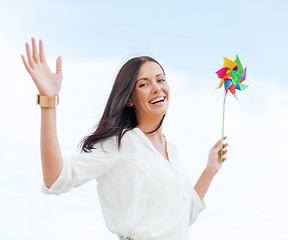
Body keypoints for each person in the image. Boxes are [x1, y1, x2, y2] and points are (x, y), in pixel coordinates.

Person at [21, 38, 228, 240]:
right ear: (129, 98)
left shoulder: (170, 149)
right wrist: (49, 102)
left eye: (160, 79)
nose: (157, 87)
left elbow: (184, 215)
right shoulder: (119, 144)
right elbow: (55, 178)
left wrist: (210, 170)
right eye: (144, 84)